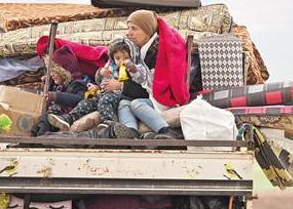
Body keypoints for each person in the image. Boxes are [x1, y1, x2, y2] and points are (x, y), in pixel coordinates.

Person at [47, 38, 151, 138]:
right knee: (87, 102)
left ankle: (108, 122)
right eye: (118, 58)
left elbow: (139, 83)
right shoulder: (112, 68)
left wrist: (120, 84)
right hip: (104, 93)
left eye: (126, 58)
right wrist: (101, 74)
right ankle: (69, 118)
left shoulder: (134, 69)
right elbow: (100, 81)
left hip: (122, 97)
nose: (121, 61)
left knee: (105, 100)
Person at [122, 9, 194, 139]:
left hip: (162, 99)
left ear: (147, 30)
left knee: (135, 104)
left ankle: (168, 132)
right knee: (124, 104)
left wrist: (121, 86)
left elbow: (154, 84)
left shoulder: (157, 51)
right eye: (128, 28)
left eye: (134, 29)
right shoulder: (138, 49)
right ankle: (131, 135)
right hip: (148, 96)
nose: (128, 33)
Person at [34, 46, 93, 135]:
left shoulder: (78, 84)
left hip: (64, 120)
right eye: (51, 71)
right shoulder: (56, 85)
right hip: (52, 117)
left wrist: (54, 96)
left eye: (55, 71)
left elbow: (78, 99)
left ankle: (37, 141)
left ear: (65, 71)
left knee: (45, 120)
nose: (52, 74)